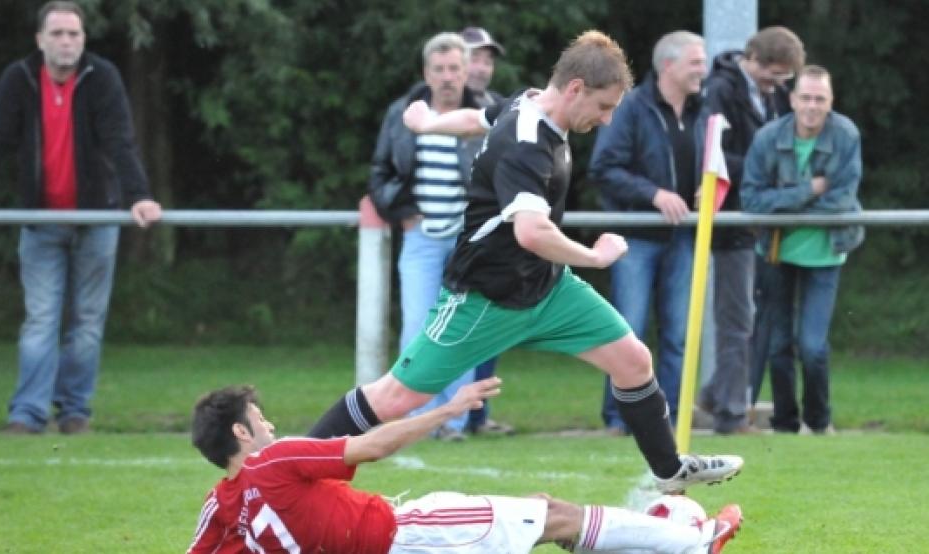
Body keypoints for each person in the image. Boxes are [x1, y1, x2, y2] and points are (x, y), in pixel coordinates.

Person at [311, 30, 743, 495]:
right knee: (394, 397)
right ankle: (283, 468)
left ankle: (668, 469)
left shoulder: (530, 101)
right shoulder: (526, 144)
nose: (607, 118)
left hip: (546, 289)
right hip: (484, 299)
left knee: (634, 359)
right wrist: (595, 256)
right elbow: (531, 232)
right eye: (603, 106)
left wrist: (428, 124)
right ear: (575, 88)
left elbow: (476, 118)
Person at [188, 378, 743, 553]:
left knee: (543, 518)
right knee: (549, 515)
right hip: (407, 537)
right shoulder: (276, 461)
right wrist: (447, 410)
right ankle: (693, 539)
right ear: (242, 432)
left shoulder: (225, 502)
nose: (273, 428)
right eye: (261, 420)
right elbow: (373, 446)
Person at [0, 1, 161, 434]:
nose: (66, 42)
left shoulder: (102, 78)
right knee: (41, 320)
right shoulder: (19, 79)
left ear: (84, 40)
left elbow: (120, 141)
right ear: (40, 39)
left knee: (86, 324)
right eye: (58, 33)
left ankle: (75, 412)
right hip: (40, 222)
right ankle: (26, 415)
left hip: (97, 220)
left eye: (74, 34)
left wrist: (138, 196)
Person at [366, 32, 487, 441]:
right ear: (426, 73)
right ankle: (418, 419)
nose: (448, 77)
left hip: (469, 241)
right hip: (421, 239)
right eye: (440, 69)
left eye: (455, 68)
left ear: (467, 71)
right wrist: (399, 212)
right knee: (417, 326)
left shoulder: (484, 114)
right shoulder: (402, 114)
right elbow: (380, 172)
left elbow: (502, 175)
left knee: (462, 328)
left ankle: (454, 422)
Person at [588, 31, 706, 436]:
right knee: (627, 332)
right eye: (696, 61)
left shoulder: (702, 111)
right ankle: (620, 418)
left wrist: (709, 189)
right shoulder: (631, 108)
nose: (703, 70)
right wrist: (653, 194)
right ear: (668, 66)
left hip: (682, 238)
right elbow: (604, 168)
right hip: (635, 239)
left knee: (677, 335)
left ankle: (665, 418)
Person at [740, 65, 863, 435]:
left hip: (827, 251)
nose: (812, 106)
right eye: (805, 98)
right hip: (776, 252)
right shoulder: (767, 138)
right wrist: (810, 190)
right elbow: (751, 200)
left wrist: (783, 203)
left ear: (831, 102)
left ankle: (819, 421)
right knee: (779, 345)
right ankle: (785, 423)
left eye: (820, 99)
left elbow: (842, 200)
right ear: (792, 100)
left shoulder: (845, 135)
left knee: (812, 346)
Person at [697, 27, 805, 434]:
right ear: (752, 58)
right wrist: (764, 176)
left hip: (760, 220)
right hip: (732, 220)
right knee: (737, 318)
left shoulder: (773, 94)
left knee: (751, 316)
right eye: (772, 75)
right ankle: (729, 413)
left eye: (784, 79)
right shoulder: (720, 91)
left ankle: (713, 395)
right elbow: (714, 156)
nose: (777, 85)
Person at [458, 25, 512, 437]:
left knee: (489, 325)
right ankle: (447, 416)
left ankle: (478, 413)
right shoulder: (424, 105)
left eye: (487, 59)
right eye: (475, 57)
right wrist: (401, 206)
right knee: (450, 327)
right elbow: (391, 163)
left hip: (491, 234)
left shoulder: (501, 109)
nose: (481, 67)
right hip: (446, 231)